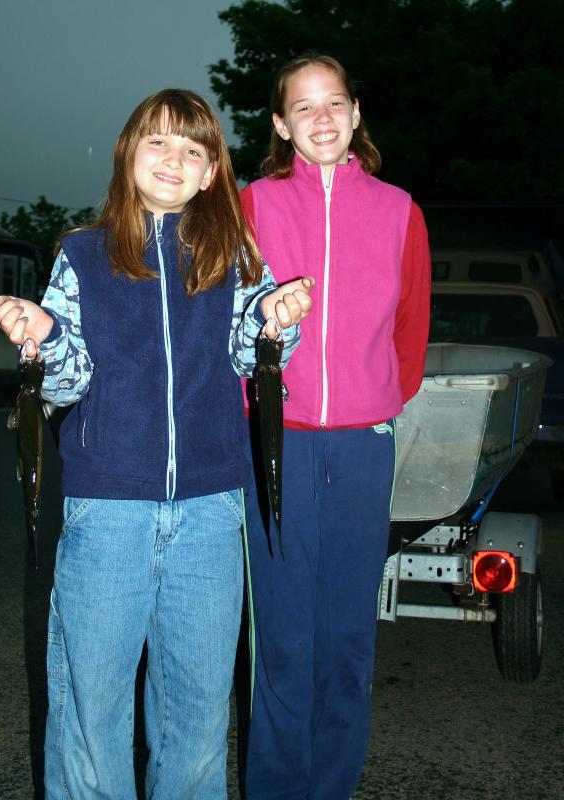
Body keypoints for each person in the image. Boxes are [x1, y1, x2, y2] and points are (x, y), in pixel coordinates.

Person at [0, 88, 313, 800]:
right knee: (90, 710)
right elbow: (66, 377)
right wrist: (41, 335)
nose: (174, 159)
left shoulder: (229, 255)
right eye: (158, 142)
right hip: (106, 510)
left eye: (192, 150)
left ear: (210, 175)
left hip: (209, 510)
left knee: (198, 718)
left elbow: (246, 353)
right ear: (128, 154)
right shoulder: (80, 255)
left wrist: (277, 321)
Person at [240, 54, 431, 799]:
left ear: (356, 115)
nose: (322, 118)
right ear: (283, 126)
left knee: (348, 642)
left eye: (336, 103)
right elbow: (226, 313)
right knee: (282, 644)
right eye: (304, 107)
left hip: (361, 449)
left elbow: (411, 327)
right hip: (274, 444)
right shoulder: (252, 202)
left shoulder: (399, 209)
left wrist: (374, 403)